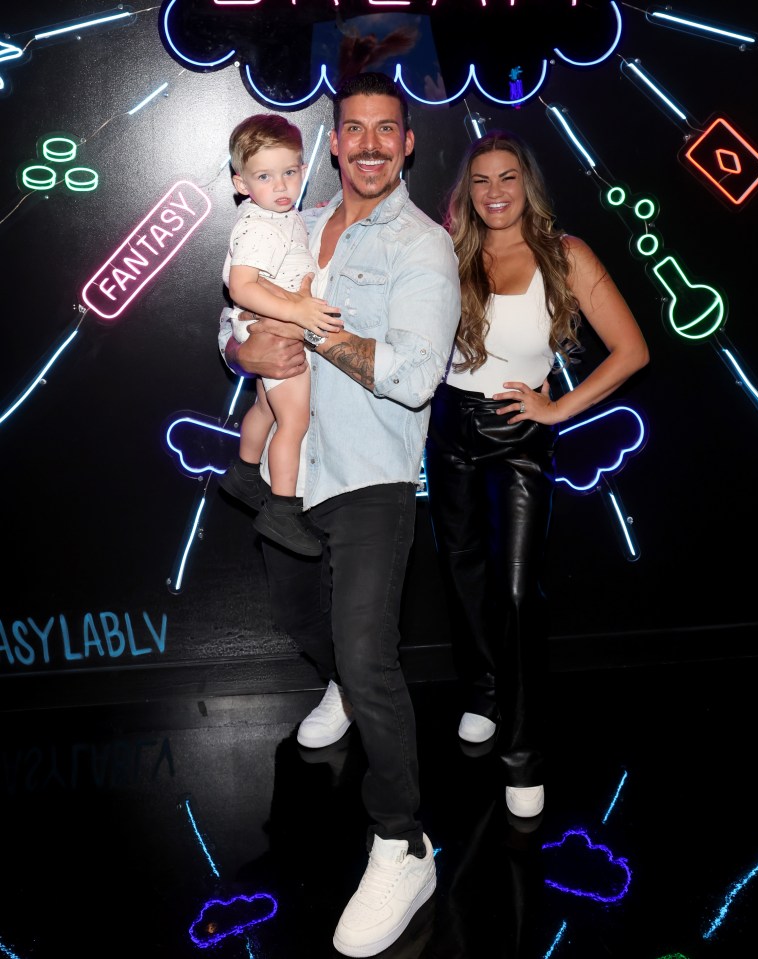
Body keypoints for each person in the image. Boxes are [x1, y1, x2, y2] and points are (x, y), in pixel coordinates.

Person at [218, 73, 460, 957]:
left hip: (369, 476)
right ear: (333, 141)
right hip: (296, 475)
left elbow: (412, 375)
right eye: (350, 127)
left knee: (367, 653)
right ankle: (342, 686)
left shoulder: (424, 248)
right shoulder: (291, 216)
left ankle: (404, 841)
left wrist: (309, 329)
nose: (365, 142)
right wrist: (249, 341)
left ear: (406, 145)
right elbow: (233, 323)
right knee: (300, 623)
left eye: (383, 130)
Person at [424, 130, 649, 820]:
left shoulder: (565, 254)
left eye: (508, 178)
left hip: (521, 437)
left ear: (529, 185)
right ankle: (486, 687)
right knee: (463, 575)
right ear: (468, 190)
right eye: (482, 180)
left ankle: (523, 752)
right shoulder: (445, 252)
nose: (495, 192)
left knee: (519, 592)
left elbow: (632, 350)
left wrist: (555, 410)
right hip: (449, 428)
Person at [218, 113, 344, 556]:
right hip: (277, 337)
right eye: (265, 177)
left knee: (267, 409)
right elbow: (241, 286)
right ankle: (283, 510)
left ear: (304, 170)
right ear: (241, 184)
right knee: (296, 421)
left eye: (289, 173)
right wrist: (298, 310)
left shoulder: (282, 216)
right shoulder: (259, 226)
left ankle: (243, 473)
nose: (282, 186)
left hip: (262, 327)